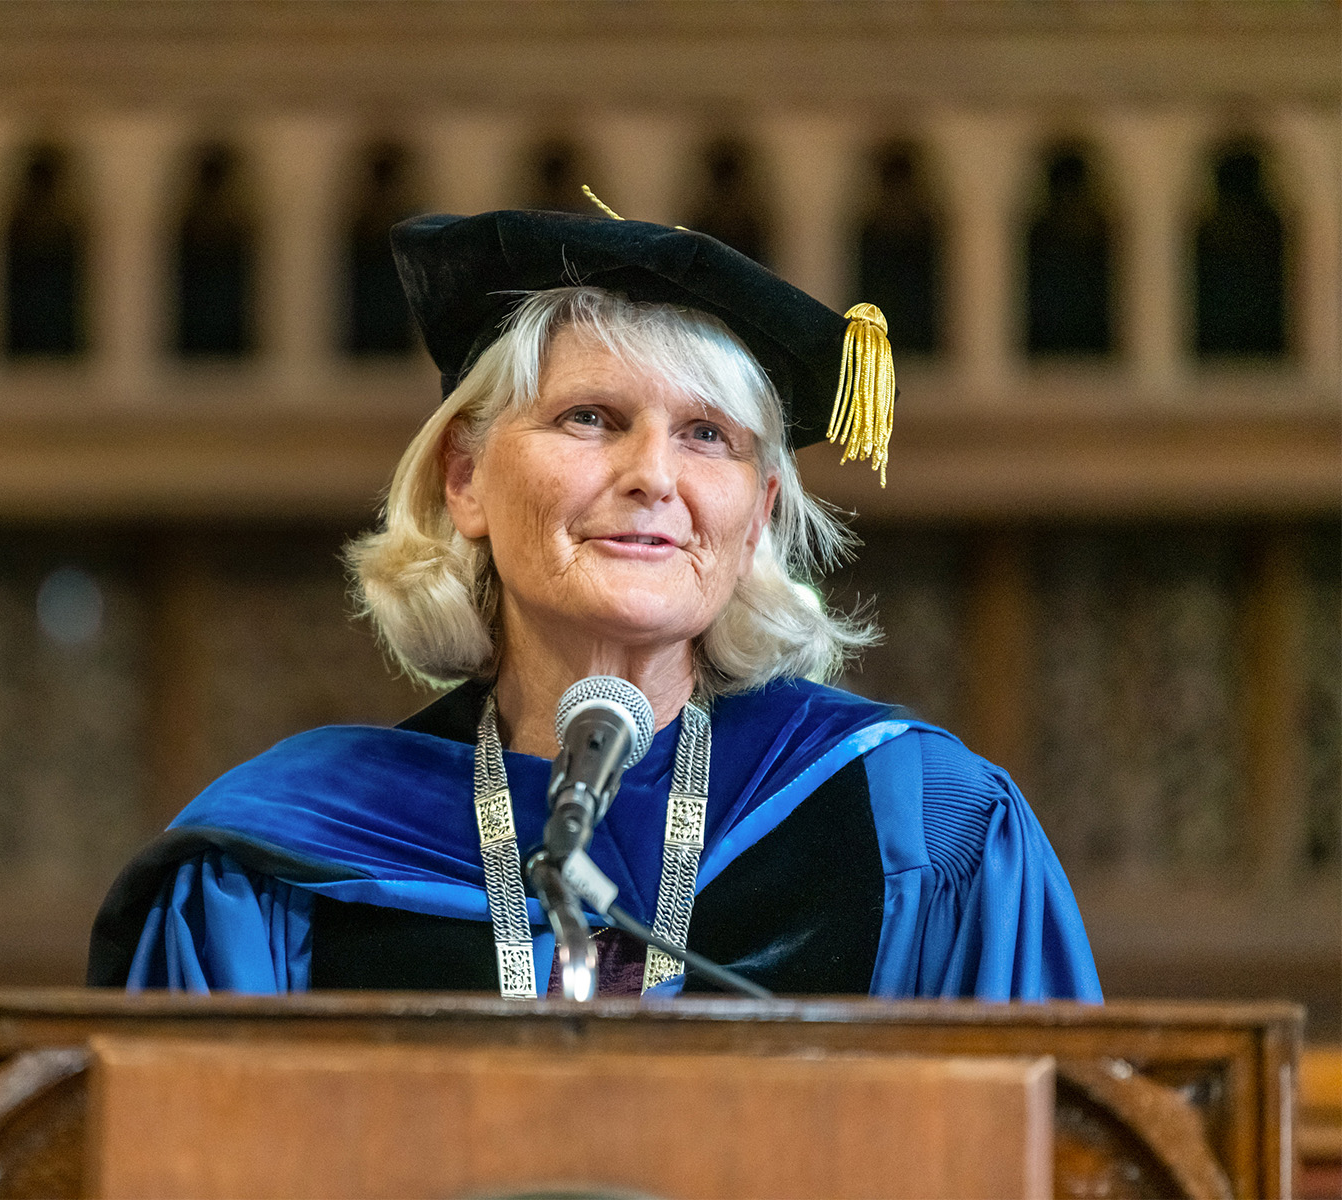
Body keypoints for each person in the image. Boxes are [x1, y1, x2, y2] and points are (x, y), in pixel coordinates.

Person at [88, 204, 1101, 1002]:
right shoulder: (276, 863)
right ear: (466, 477)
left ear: (758, 518)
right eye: (591, 417)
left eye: (708, 436)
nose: (653, 475)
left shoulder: (921, 824)